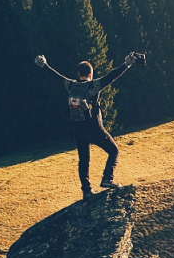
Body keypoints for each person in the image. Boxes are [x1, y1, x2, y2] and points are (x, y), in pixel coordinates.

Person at [34, 53, 139, 199]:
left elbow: (56, 76)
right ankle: (107, 179)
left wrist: (43, 65)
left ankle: (86, 190)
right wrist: (127, 63)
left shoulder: (70, 85)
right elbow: (112, 75)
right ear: (90, 73)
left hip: (78, 129)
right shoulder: (95, 85)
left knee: (84, 159)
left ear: (78, 73)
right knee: (114, 151)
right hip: (95, 128)